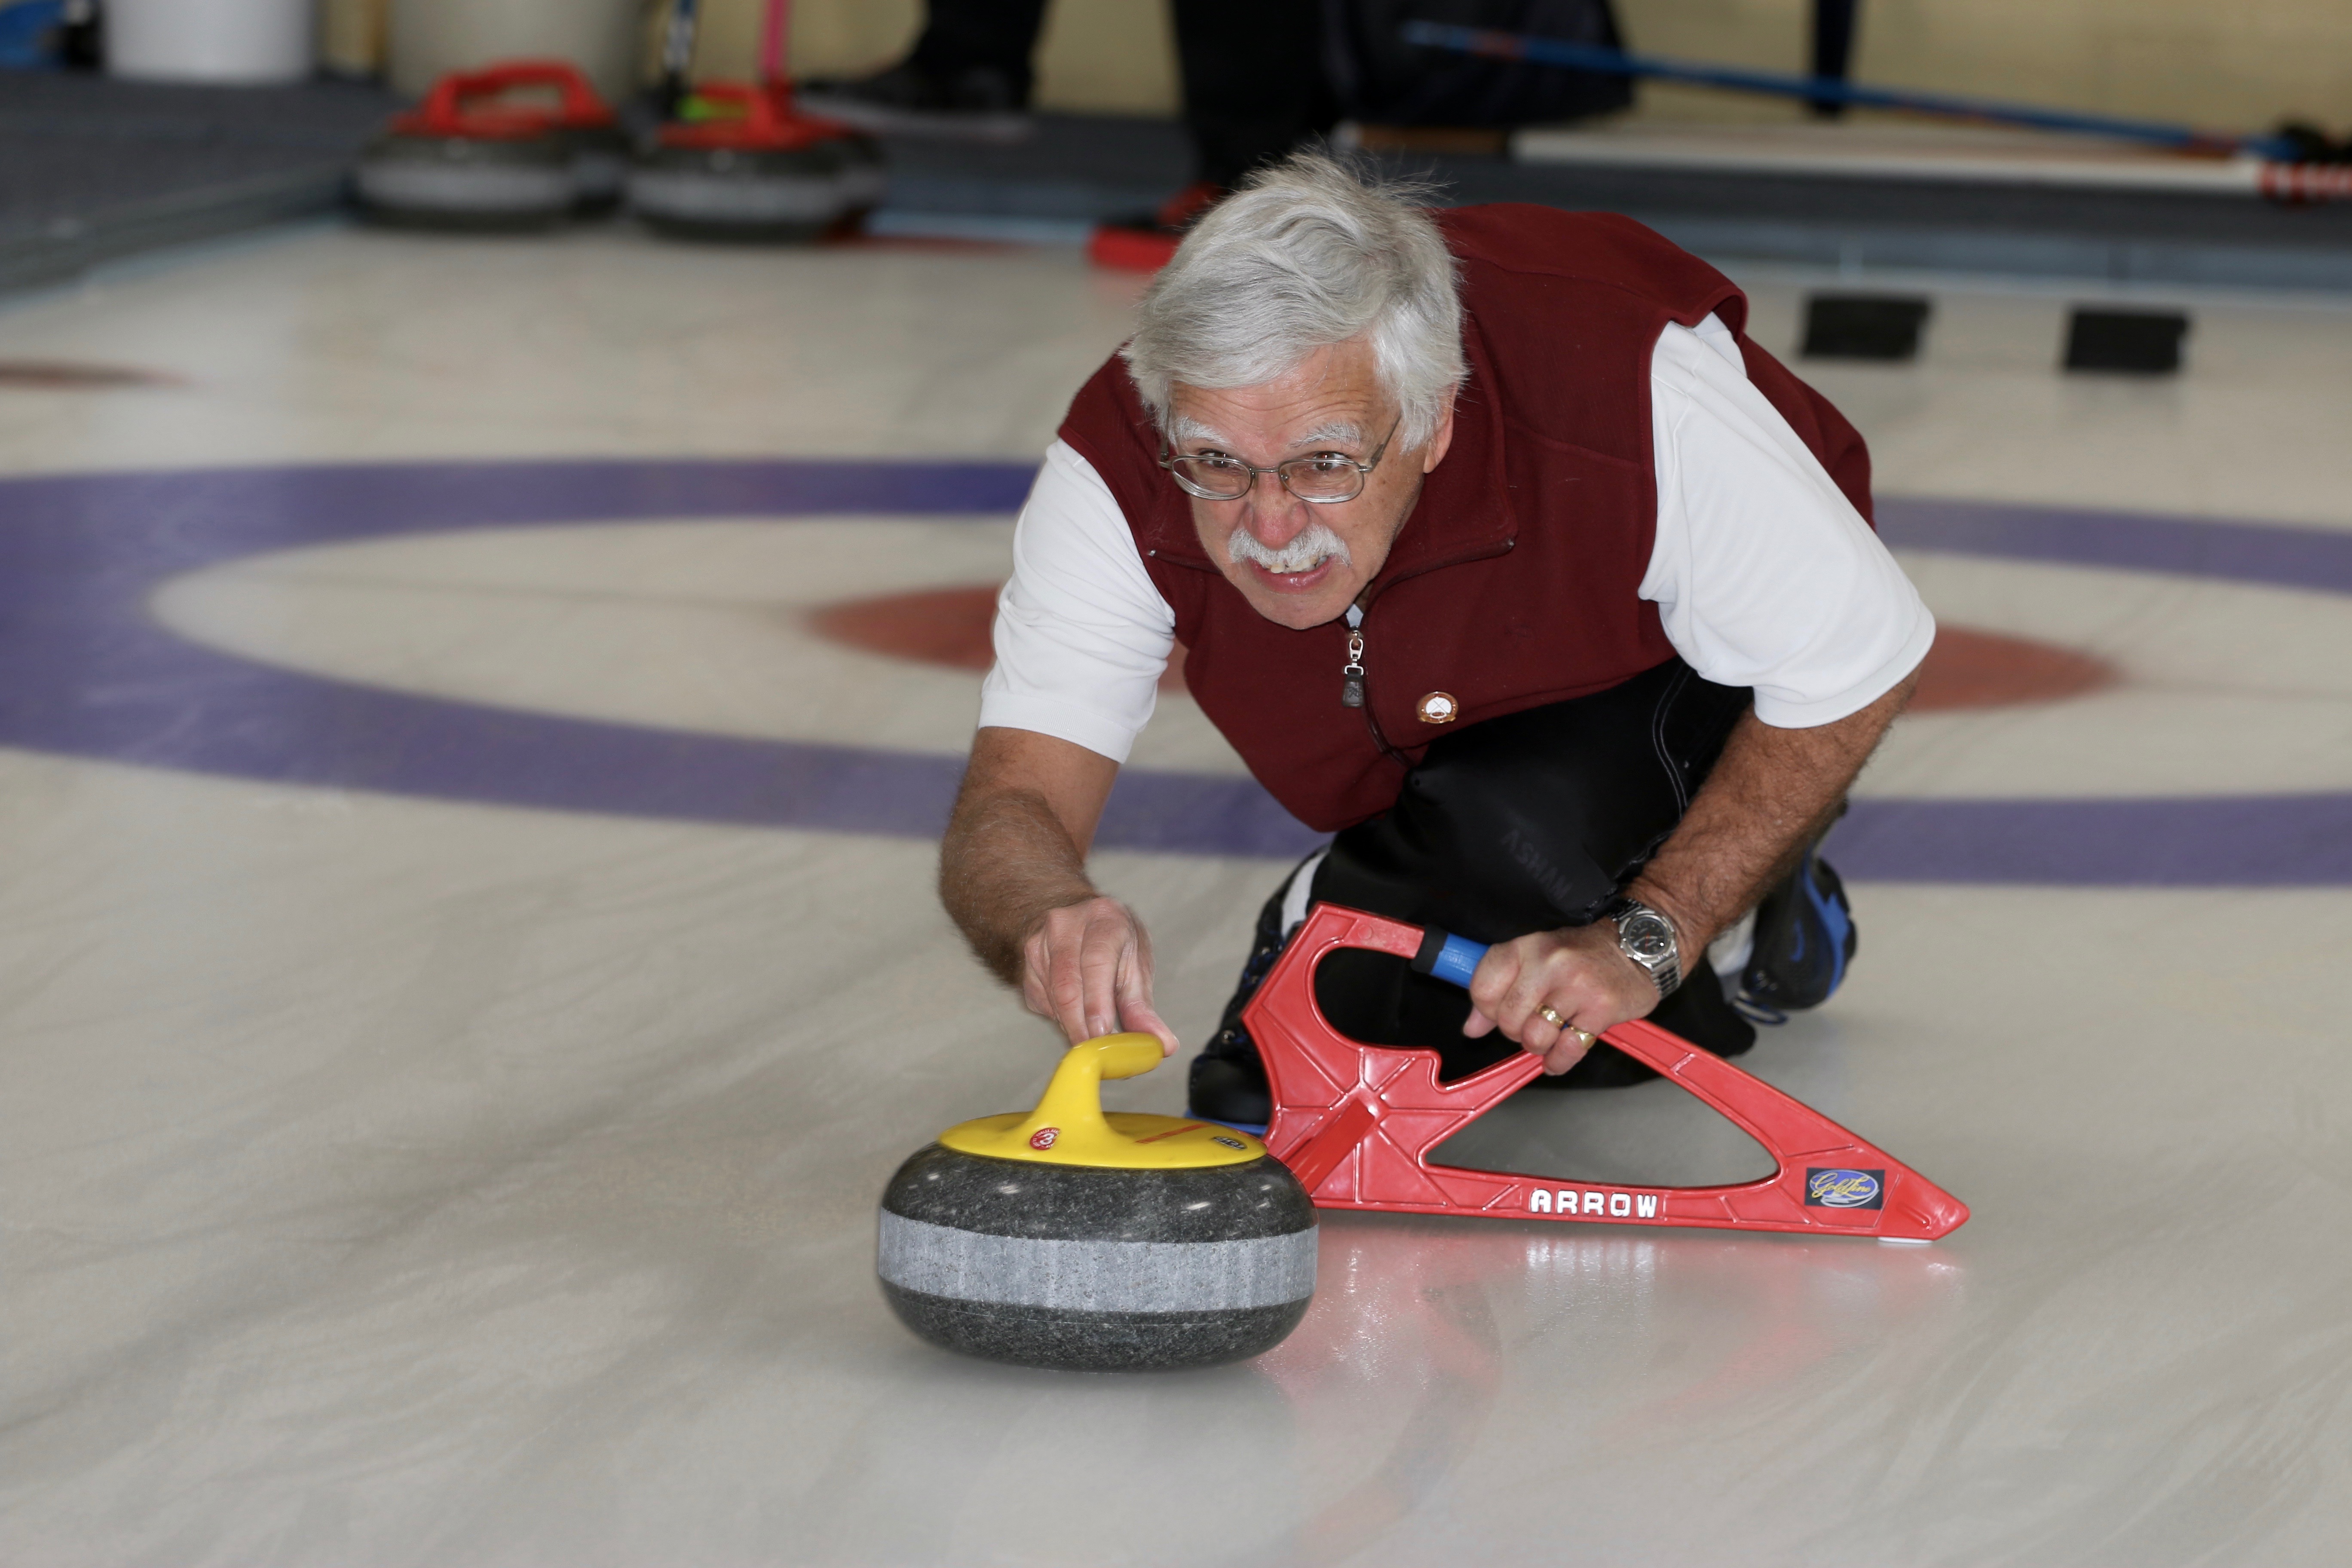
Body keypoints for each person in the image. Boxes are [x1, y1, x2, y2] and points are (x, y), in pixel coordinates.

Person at [939, 152, 1932, 1126]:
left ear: (1435, 423)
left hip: (1665, 668)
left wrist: (1659, 929)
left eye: (1324, 464)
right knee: (1295, 1080)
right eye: (1217, 464)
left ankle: (1751, 918)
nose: (1271, 527)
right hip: (1424, 738)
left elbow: (1855, 661)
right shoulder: (1116, 462)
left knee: (1540, 896)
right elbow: (1017, 795)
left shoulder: (1634, 393)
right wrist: (1044, 912)